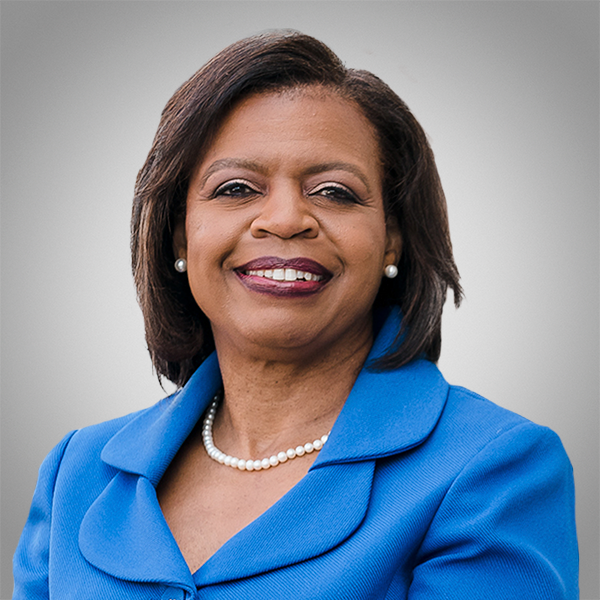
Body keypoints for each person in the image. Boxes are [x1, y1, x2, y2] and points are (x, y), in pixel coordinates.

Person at [13, 30, 578, 599]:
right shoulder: (77, 474)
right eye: (236, 188)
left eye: (334, 192)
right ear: (180, 235)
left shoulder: (493, 469)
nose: (285, 219)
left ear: (393, 240)